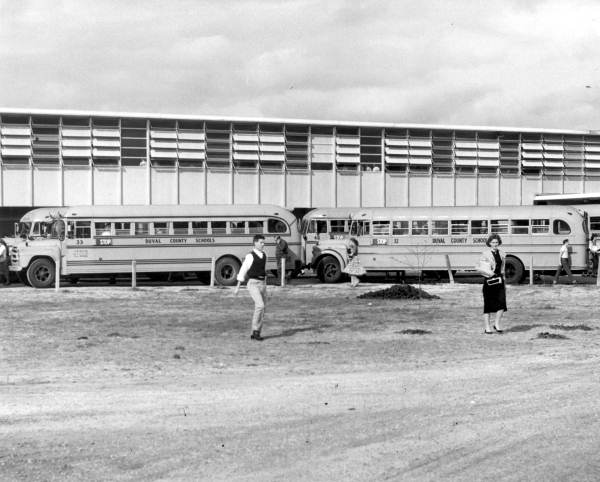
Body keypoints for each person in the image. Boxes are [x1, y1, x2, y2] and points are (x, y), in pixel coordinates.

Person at [234, 234, 267, 341]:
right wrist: (237, 287)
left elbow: (263, 270)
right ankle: (255, 330)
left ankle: (256, 333)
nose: (263, 244)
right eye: (261, 242)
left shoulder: (264, 255)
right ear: (255, 243)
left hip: (262, 283)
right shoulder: (250, 256)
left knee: (263, 309)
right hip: (253, 283)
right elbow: (243, 270)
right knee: (260, 305)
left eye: (263, 242)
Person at [477, 234, 507, 334]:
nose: (495, 244)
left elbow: (502, 268)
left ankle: (497, 324)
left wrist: (504, 279)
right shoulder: (485, 254)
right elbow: (481, 267)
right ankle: (487, 327)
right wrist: (490, 273)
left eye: (496, 242)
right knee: (488, 305)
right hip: (489, 280)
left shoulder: (502, 254)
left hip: (499, 280)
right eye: (493, 242)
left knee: (502, 304)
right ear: (489, 243)